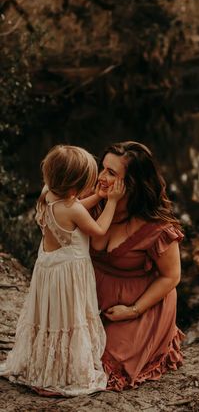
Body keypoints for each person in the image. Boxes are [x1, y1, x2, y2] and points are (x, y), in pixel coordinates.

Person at [0, 144, 125, 396]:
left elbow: (75, 208)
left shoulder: (49, 194)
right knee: (69, 318)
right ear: (73, 188)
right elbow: (98, 229)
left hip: (49, 267)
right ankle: (63, 373)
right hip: (69, 273)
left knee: (50, 318)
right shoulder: (73, 208)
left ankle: (42, 364)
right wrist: (111, 201)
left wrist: (97, 196)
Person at [90, 141, 185, 391]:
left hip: (139, 305)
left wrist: (132, 310)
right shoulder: (94, 202)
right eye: (103, 168)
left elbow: (171, 277)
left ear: (131, 184)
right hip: (94, 299)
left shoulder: (156, 228)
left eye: (111, 173)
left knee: (105, 369)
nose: (101, 177)